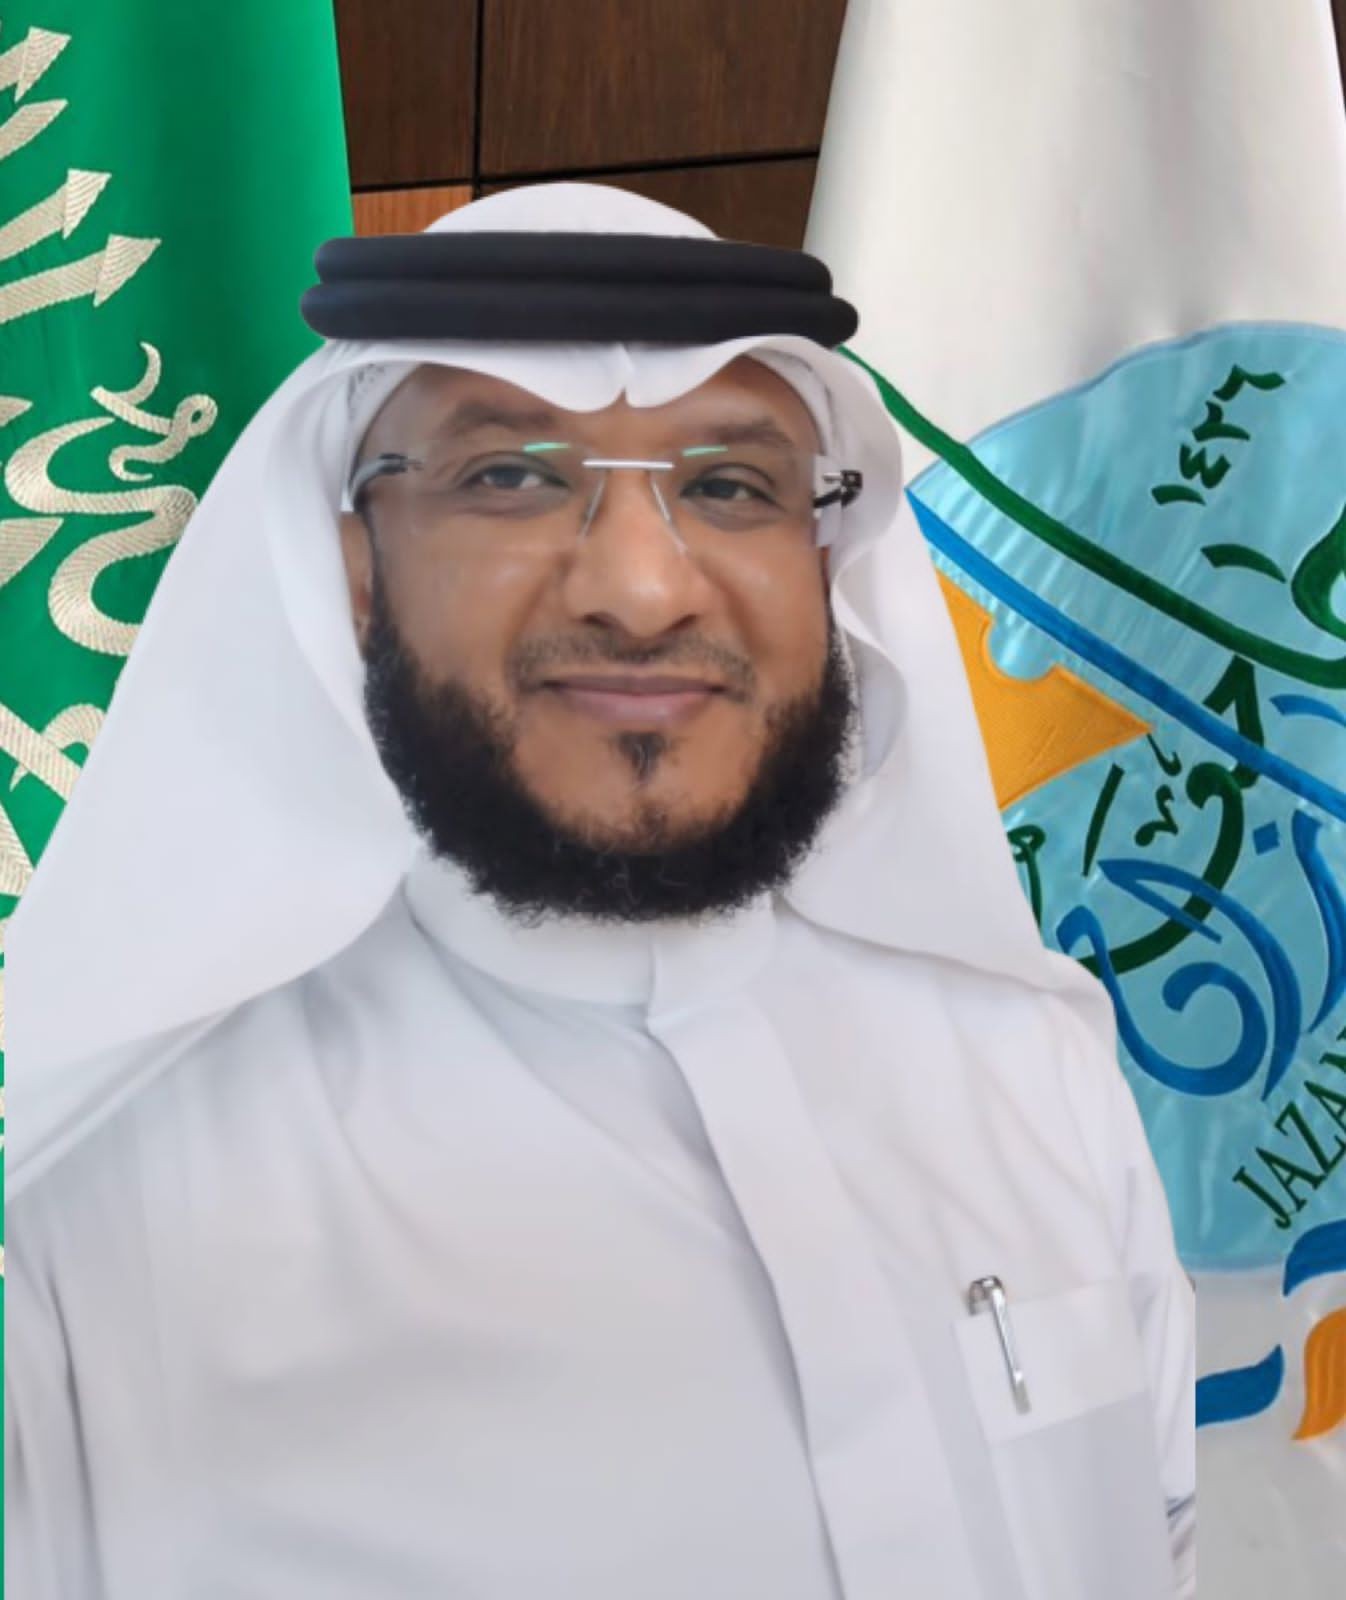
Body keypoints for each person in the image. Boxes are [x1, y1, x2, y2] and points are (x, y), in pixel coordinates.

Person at [4, 184, 1195, 1600]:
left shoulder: (1032, 1075)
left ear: (828, 559)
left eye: (730, 486)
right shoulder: (97, 1209)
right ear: (354, 572)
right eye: (509, 476)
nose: (641, 591)